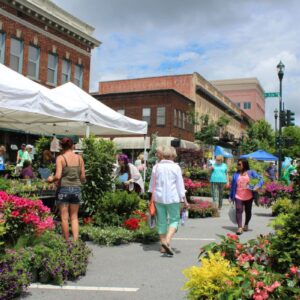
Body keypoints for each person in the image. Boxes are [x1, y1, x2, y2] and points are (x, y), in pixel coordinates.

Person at [149, 146, 188, 256]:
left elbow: (152, 185)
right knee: (174, 220)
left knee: (161, 221)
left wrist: (151, 198)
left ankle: (162, 245)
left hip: (158, 198)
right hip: (173, 198)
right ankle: (167, 241)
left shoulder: (156, 167)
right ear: (172, 156)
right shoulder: (176, 168)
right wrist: (184, 200)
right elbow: (180, 186)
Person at [47, 137, 85, 241]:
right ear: (72, 146)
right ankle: (76, 242)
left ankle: (67, 242)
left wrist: (50, 179)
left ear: (61, 147)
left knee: (64, 217)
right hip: (76, 189)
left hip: (63, 189)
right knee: (74, 217)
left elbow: (58, 176)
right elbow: (83, 177)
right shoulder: (79, 158)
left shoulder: (60, 158)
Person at [229, 159, 264, 235]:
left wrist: (258, 186)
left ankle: (246, 224)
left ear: (244, 164)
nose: (237, 165)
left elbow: (261, 179)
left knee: (248, 211)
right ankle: (239, 228)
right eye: (237, 164)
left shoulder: (251, 173)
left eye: (239, 164)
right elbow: (232, 186)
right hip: (238, 196)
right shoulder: (236, 174)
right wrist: (231, 196)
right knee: (239, 210)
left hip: (249, 196)